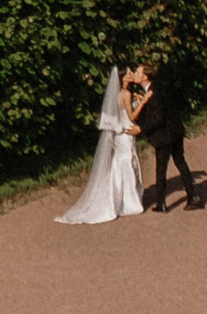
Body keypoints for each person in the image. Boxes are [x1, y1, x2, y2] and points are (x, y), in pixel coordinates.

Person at [55, 58, 144, 224]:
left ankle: (119, 199)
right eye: (130, 73)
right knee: (125, 163)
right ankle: (128, 202)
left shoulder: (119, 94)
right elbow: (132, 116)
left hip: (120, 133)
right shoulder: (126, 93)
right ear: (123, 77)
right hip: (126, 133)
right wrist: (143, 102)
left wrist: (136, 101)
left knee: (119, 163)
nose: (132, 74)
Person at [130, 64, 196, 210]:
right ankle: (192, 195)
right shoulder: (158, 87)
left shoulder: (153, 93)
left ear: (145, 76)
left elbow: (157, 118)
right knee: (180, 161)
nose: (134, 74)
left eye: (137, 72)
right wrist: (143, 102)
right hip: (175, 130)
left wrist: (140, 128)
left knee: (161, 169)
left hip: (165, 135)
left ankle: (161, 203)